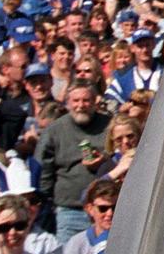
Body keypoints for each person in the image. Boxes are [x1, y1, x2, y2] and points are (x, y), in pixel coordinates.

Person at [34, 81, 109, 244]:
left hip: (107, 211)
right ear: (68, 102)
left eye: (86, 100)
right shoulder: (55, 130)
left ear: (95, 101)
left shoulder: (110, 125)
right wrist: (47, 199)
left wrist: (105, 159)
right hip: (70, 211)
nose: (81, 105)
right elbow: (43, 168)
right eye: (76, 101)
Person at [59, 180, 117, 254]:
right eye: (103, 208)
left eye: (115, 207)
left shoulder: (131, 242)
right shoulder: (77, 244)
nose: (110, 213)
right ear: (90, 209)